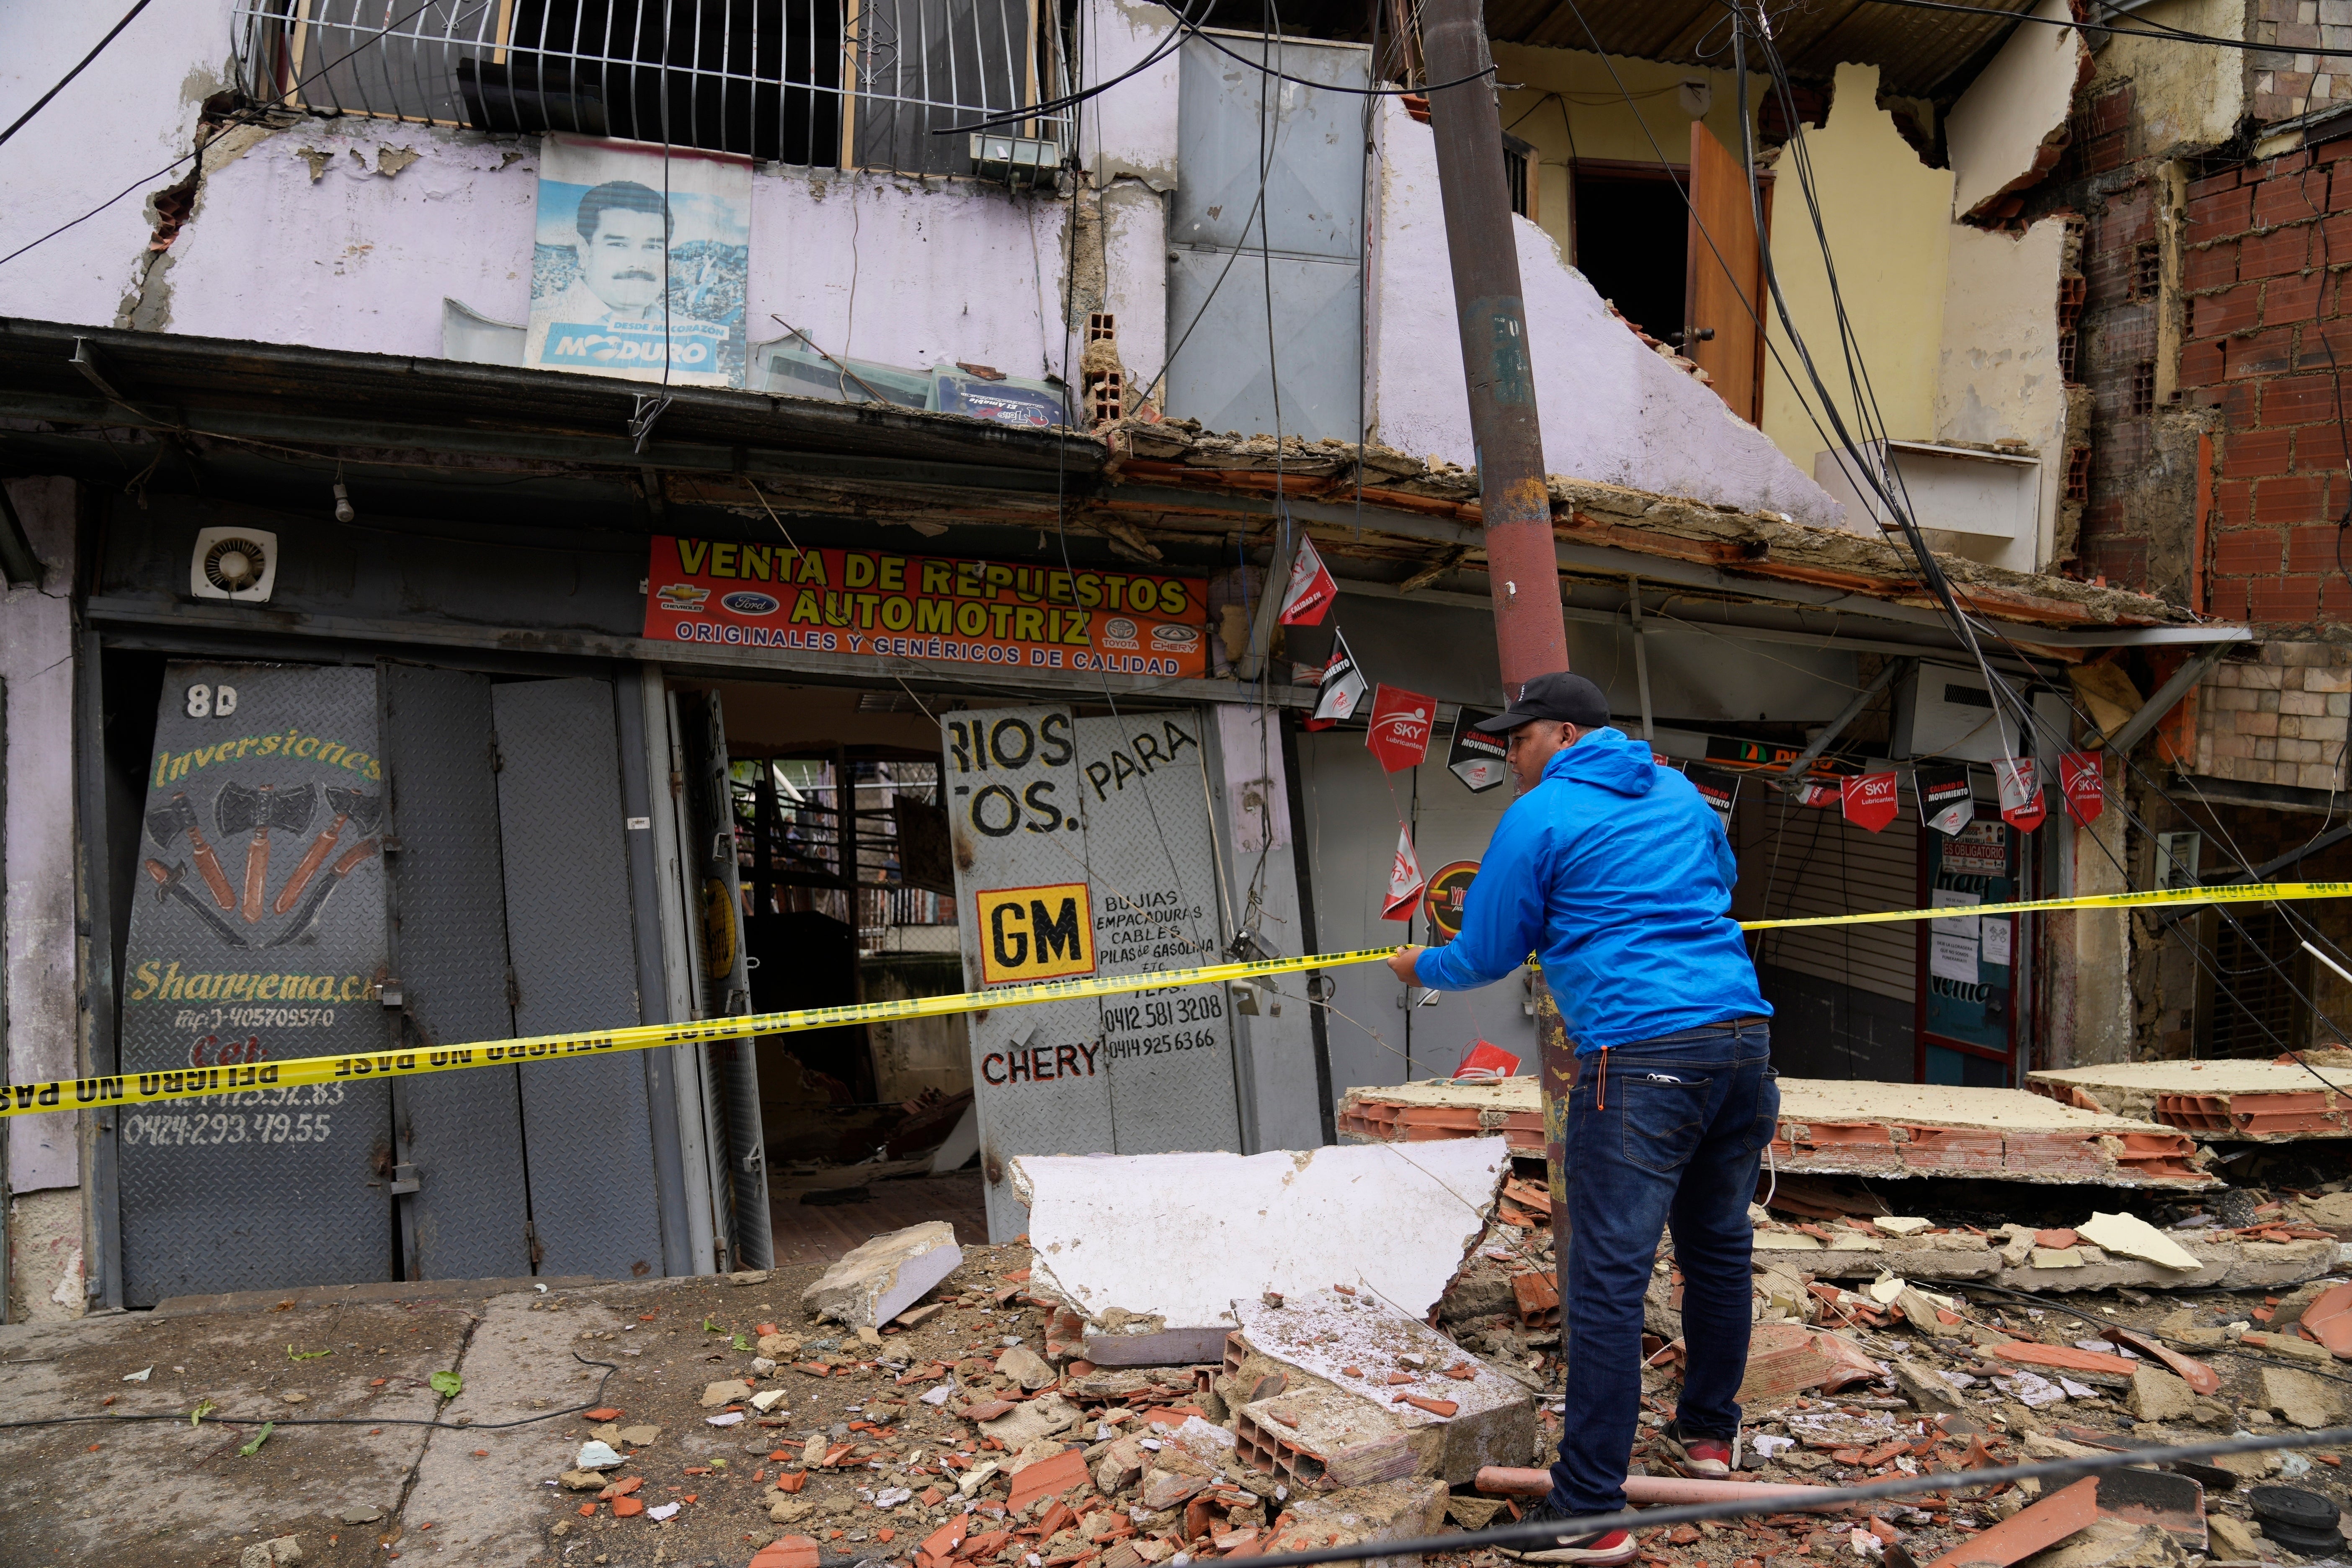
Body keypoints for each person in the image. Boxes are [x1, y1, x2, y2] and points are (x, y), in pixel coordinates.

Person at [1386, 672, 1775, 1568]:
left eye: (1518, 738)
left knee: (1605, 1279)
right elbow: (1722, 878)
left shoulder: (1540, 815)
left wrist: (1418, 967)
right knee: (1716, 1245)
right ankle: (1711, 1439)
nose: (1508, 752)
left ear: (1561, 734)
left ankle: (1591, 1511)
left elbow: (1485, 951)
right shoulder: (1680, 792)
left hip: (1640, 1061)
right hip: (1743, 1042)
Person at [550, 180, 673, 322]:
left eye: (653, 247)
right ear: (584, 252)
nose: (638, 263)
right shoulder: (542, 318)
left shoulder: (686, 328)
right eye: (618, 244)